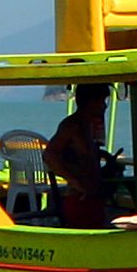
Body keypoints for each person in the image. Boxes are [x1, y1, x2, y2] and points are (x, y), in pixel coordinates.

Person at [45, 84, 117, 228]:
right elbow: (49, 155)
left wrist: (104, 156)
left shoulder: (89, 125)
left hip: (93, 194)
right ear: (88, 101)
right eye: (100, 101)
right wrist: (73, 181)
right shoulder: (71, 126)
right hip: (79, 197)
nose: (104, 106)